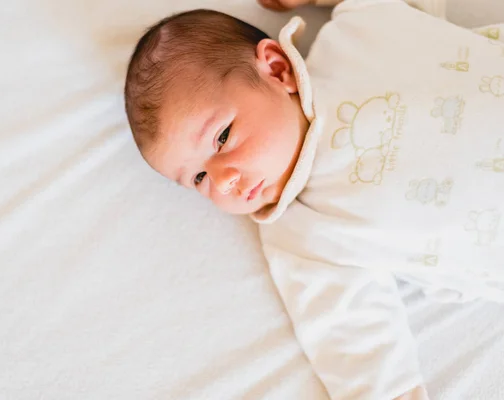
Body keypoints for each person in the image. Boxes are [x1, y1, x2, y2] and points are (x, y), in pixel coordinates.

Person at [124, 1, 504, 398]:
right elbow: (348, 328)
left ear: (276, 68)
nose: (224, 182)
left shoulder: (358, 36)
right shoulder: (302, 233)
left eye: (222, 138)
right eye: (199, 178)